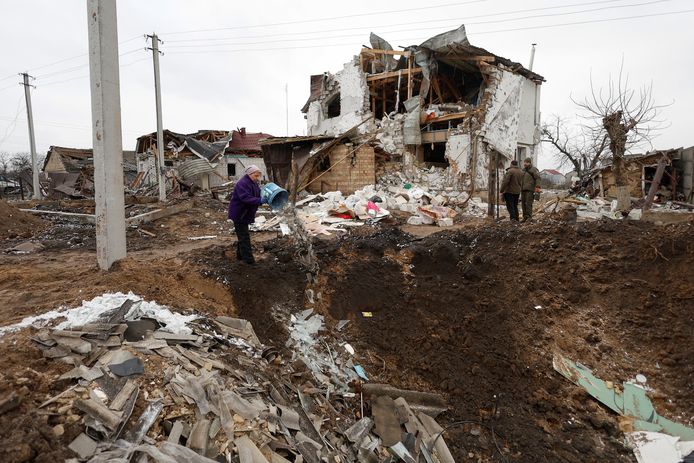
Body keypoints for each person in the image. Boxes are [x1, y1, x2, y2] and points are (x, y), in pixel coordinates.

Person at [228, 165, 267, 264]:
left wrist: (265, 196)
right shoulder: (242, 183)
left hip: (245, 213)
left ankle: (240, 256)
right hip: (240, 213)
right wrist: (260, 200)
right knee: (244, 237)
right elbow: (245, 198)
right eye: (255, 175)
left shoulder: (253, 182)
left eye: (258, 175)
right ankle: (249, 261)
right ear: (249, 174)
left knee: (242, 236)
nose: (257, 177)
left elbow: (258, 192)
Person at [521, 157, 541, 222]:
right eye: (524, 162)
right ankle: (525, 217)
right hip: (523, 189)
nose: (525, 163)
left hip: (530, 189)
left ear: (529, 163)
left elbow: (538, 178)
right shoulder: (523, 170)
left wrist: (537, 187)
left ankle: (529, 217)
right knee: (523, 204)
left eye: (526, 162)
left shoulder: (534, 170)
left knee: (528, 204)